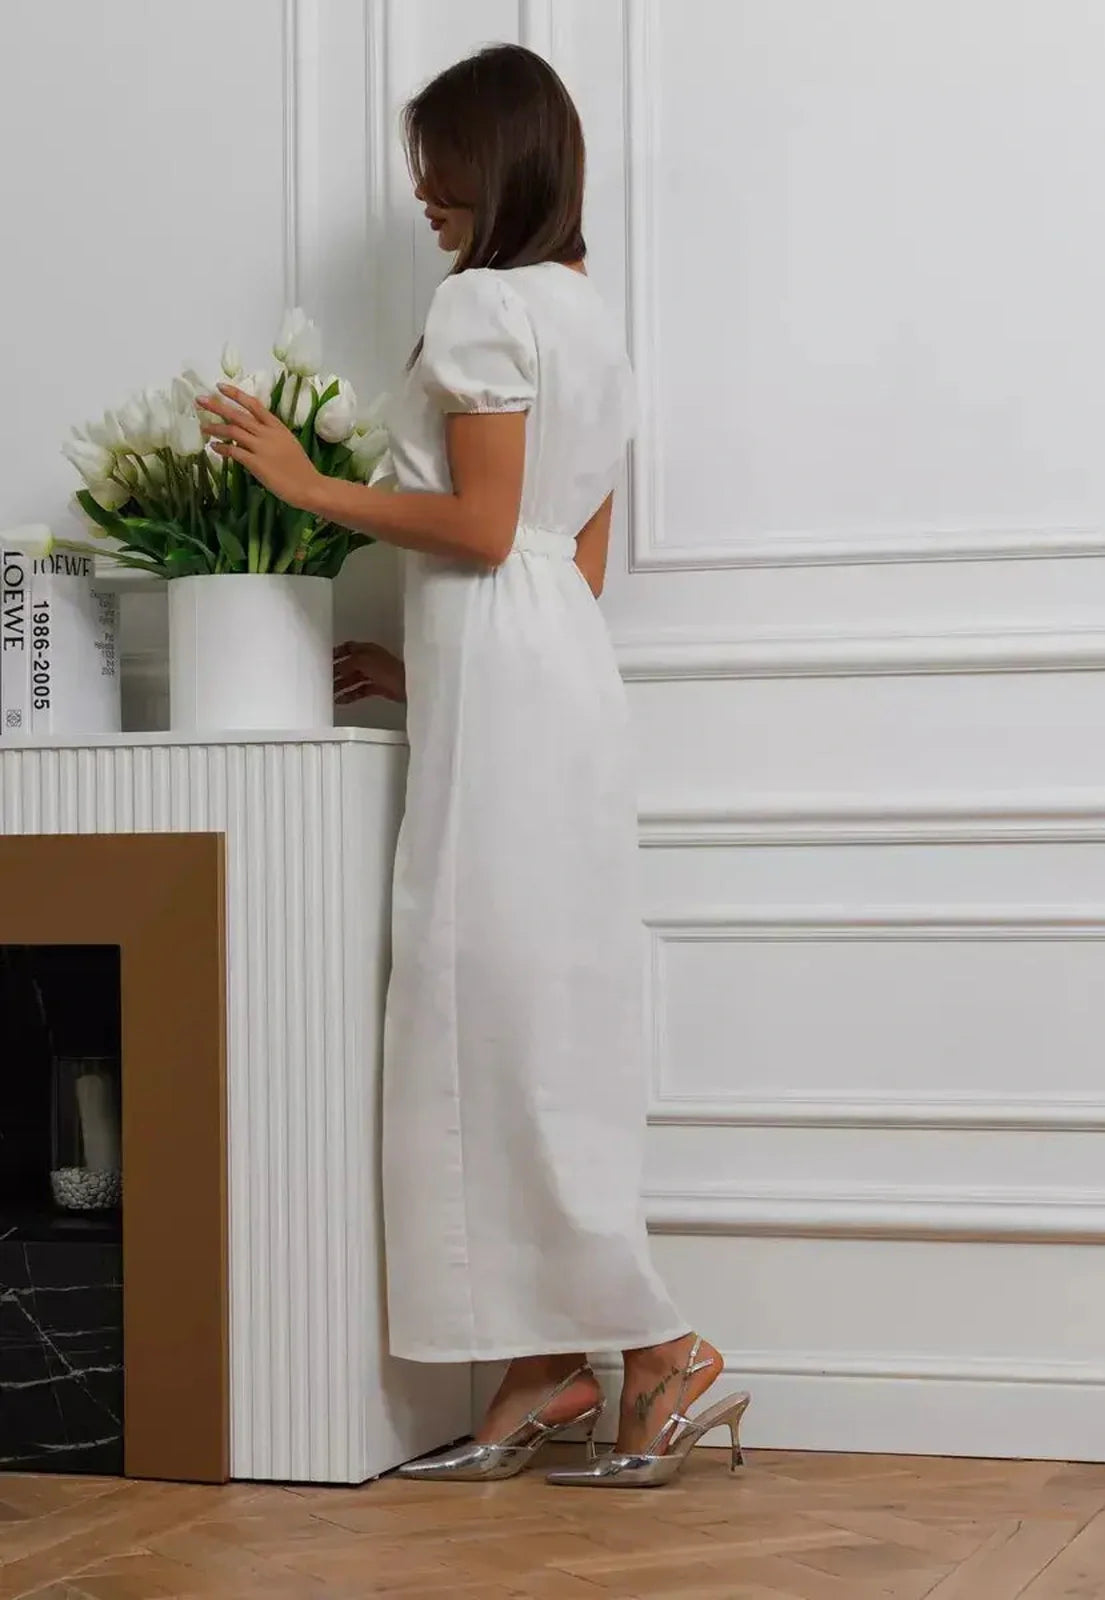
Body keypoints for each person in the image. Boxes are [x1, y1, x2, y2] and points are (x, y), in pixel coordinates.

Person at [198, 42, 749, 1489]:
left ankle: (660, 1347)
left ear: (495, 162)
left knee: (485, 1016)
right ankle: (547, 1368)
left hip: (510, 683)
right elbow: (574, 557)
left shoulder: (486, 305)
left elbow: (493, 527)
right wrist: (427, 659)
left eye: (440, 166)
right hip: (551, 673)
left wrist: (307, 484)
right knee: (521, 1022)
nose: (424, 194)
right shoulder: (587, 314)